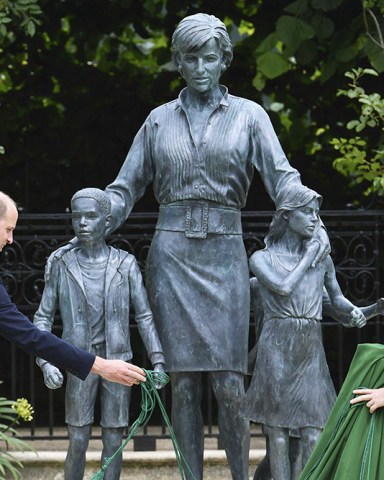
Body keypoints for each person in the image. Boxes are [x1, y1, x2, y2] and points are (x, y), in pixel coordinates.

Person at [47, 14, 330, 480]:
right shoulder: (158, 121)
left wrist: (310, 219)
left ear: (224, 61)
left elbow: (283, 179)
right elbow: (125, 188)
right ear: (178, 62)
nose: (201, 67)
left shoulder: (249, 116)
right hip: (172, 257)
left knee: (230, 384)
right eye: (191, 58)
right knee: (183, 386)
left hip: (225, 256)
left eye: (210, 58)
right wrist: (96, 220)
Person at [240, 184, 382, 480]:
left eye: (317, 213)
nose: (315, 219)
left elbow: (337, 300)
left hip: (309, 348)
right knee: (276, 432)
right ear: (286, 217)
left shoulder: (323, 262)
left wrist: (364, 311)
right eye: (307, 212)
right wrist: (311, 254)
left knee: (313, 430)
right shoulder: (262, 259)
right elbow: (282, 288)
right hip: (277, 345)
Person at [33, 188, 165, 480]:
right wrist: (47, 362)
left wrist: (158, 361)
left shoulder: (126, 264)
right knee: (78, 439)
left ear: (107, 222)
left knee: (113, 440)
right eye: (77, 216)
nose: (82, 223)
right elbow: (42, 318)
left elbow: (143, 315)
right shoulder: (62, 265)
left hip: (118, 361)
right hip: (77, 362)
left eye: (90, 216)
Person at [0, 191, 146, 387]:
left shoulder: (125, 263)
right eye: (8, 229)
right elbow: (29, 334)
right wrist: (101, 366)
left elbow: (27, 334)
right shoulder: (63, 265)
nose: (11, 239)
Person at [248, 277, 384, 480]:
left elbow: (345, 313)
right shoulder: (261, 278)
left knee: (310, 439)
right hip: (276, 368)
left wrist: (373, 309)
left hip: (308, 368)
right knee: (279, 440)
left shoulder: (313, 282)